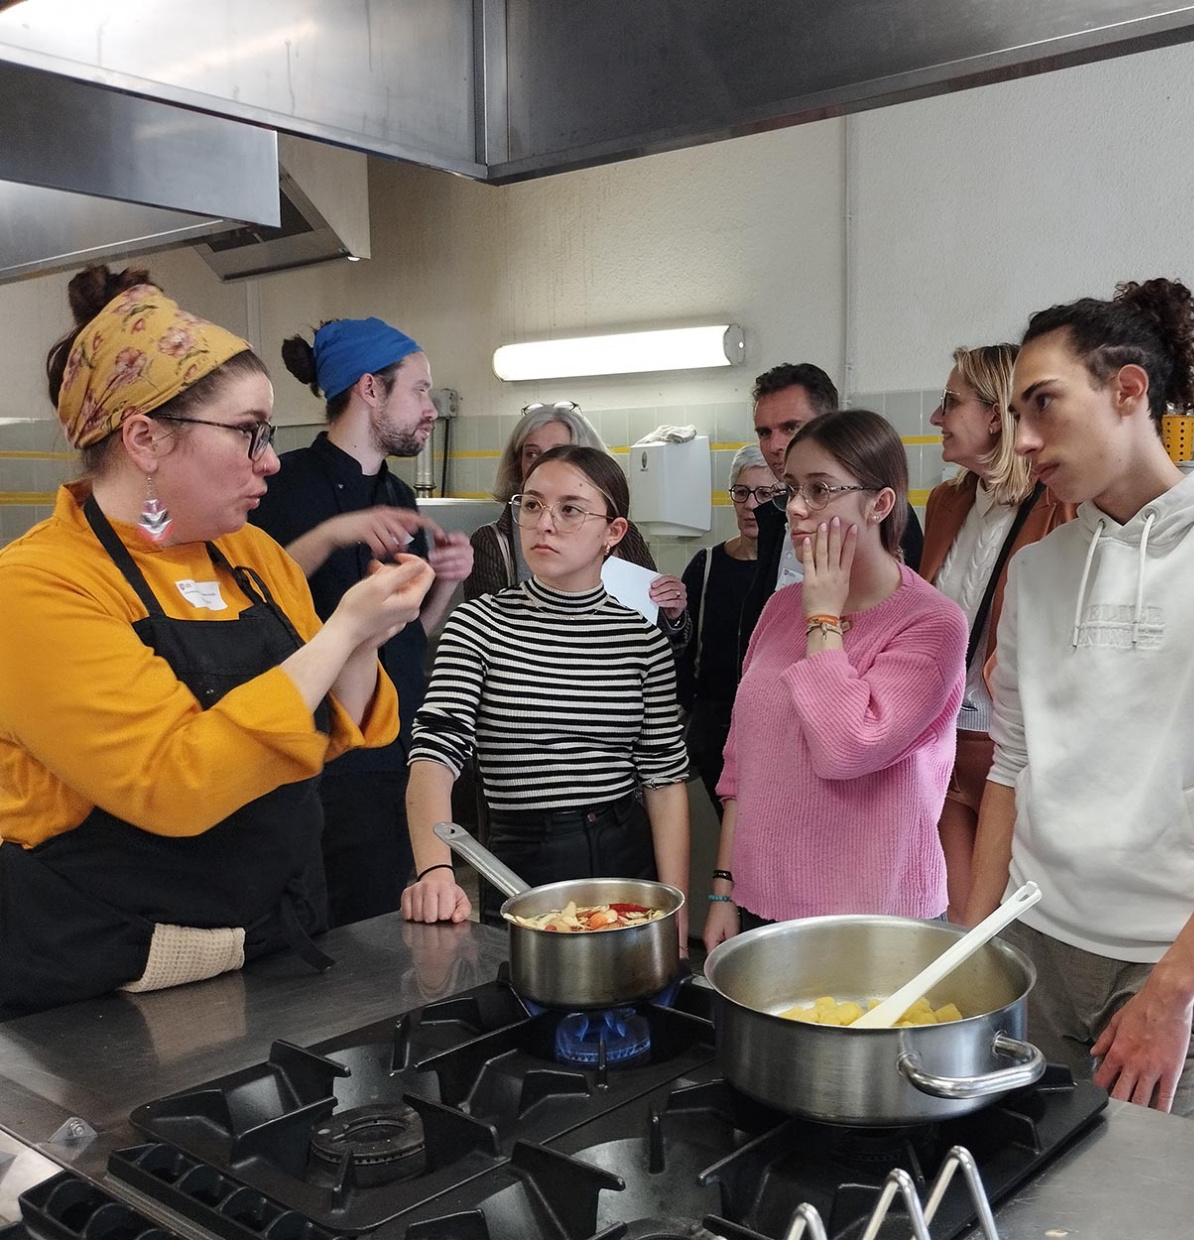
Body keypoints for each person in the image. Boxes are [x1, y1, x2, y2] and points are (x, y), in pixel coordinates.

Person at [0, 267, 433, 1018]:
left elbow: (342, 729)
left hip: (270, 950)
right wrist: (341, 633)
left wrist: (368, 639)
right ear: (143, 438)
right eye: (247, 433)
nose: (270, 459)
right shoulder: (38, 587)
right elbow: (174, 779)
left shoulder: (251, 556)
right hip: (99, 990)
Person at [966, 277, 1194, 1123]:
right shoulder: (1039, 568)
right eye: (1014, 415)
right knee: (1023, 1181)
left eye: (1044, 404)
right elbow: (1011, 766)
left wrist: (1172, 991)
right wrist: (971, 946)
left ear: (1128, 391)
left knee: (1137, 1206)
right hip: (1034, 942)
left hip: (1168, 962)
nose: (1025, 439)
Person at [401, 445, 691, 948]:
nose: (544, 524)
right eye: (531, 505)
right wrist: (435, 870)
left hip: (624, 846)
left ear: (613, 533)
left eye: (570, 509)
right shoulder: (480, 625)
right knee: (526, 1000)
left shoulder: (641, 638)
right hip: (523, 849)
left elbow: (664, 780)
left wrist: (676, 913)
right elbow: (434, 755)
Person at [703, 410, 966, 950]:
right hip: (761, 905)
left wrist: (824, 621)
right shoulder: (780, 609)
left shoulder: (932, 623)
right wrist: (723, 890)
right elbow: (740, 765)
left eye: (821, 490)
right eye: (792, 488)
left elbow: (847, 747)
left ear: (880, 503)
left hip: (876, 920)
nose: (796, 508)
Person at [249, 319, 472, 927]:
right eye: (420, 391)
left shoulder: (399, 493)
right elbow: (250, 606)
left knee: (381, 927)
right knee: (321, 931)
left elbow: (405, 638)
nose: (431, 409)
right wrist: (329, 536)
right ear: (370, 389)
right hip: (317, 762)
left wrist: (447, 581)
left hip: (396, 753)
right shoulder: (279, 486)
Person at [919, 344, 1075, 922]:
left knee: (1018, 924)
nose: (937, 418)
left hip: (1018, 749)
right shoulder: (945, 502)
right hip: (942, 739)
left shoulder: (1062, 506)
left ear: (994, 415)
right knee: (959, 928)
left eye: (950, 403)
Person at [738, 363, 924, 669]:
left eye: (791, 427)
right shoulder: (772, 516)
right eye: (764, 432)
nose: (775, 445)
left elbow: (900, 613)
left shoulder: (886, 519)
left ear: (830, 426)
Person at [465, 402, 689, 640]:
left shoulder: (624, 535)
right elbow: (486, 635)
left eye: (559, 452)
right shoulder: (493, 541)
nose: (545, 464)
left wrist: (670, 615)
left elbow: (659, 642)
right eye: (531, 454)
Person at [676, 445, 777, 817]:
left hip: (775, 730)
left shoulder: (795, 572)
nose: (752, 505)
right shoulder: (706, 565)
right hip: (715, 727)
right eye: (742, 492)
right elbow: (681, 645)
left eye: (766, 494)